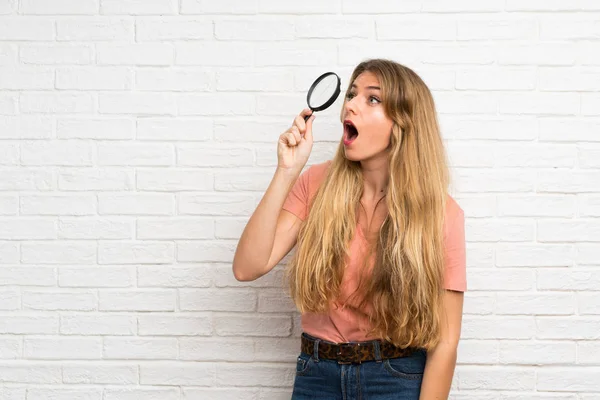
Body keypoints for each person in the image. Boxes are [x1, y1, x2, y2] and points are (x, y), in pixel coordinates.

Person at [232, 58, 466, 400]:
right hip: (316, 376)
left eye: (372, 99)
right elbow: (247, 267)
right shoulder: (316, 184)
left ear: (404, 122)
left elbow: (446, 341)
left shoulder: (442, 213)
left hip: (396, 377)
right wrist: (287, 170)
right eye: (352, 94)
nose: (351, 104)